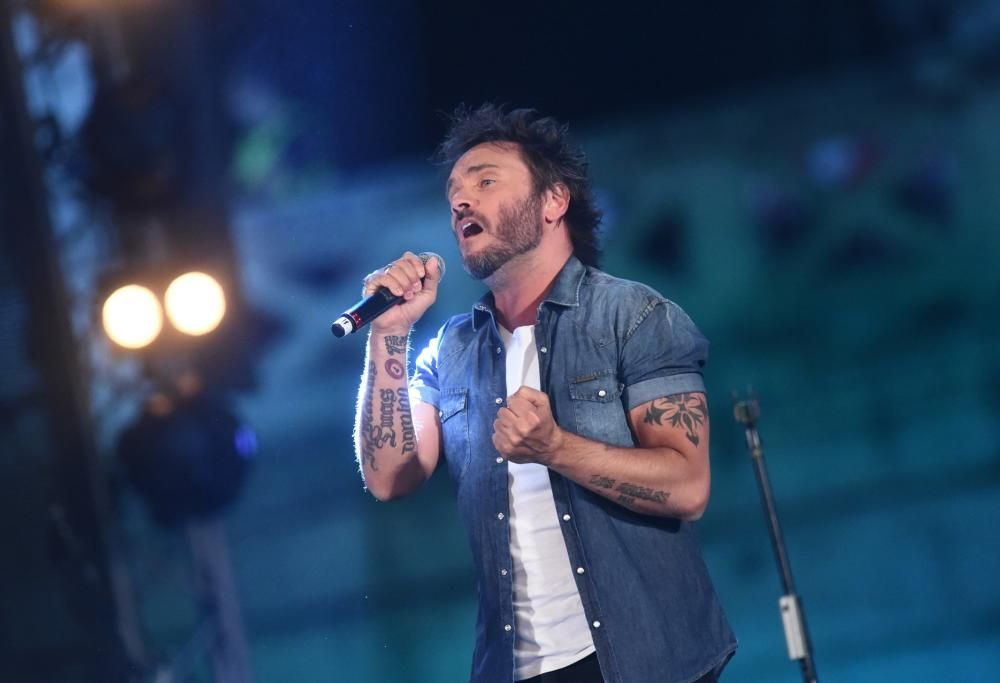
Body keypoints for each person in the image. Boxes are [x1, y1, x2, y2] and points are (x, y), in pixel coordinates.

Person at [353, 104, 736, 683]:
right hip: (515, 669)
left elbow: (688, 487)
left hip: (645, 662)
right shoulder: (450, 351)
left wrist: (556, 448)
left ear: (553, 201)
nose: (461, 202)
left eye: (485, 182)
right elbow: (389, 477)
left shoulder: (632, 315)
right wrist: (389, 332)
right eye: (454, 194)